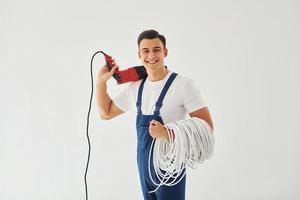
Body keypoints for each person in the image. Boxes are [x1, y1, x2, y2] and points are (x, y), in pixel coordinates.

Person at [96, 29, 214, 200]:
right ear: (139, 55)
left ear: (165, 51)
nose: (151, 55)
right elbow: (105, 113)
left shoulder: (184, 85)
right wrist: (101, 82)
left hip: (170, 168)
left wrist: (167, 133)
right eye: (146, 51)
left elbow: (207, 128)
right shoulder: (135, 88)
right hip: (144, 167)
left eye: (157, 49)